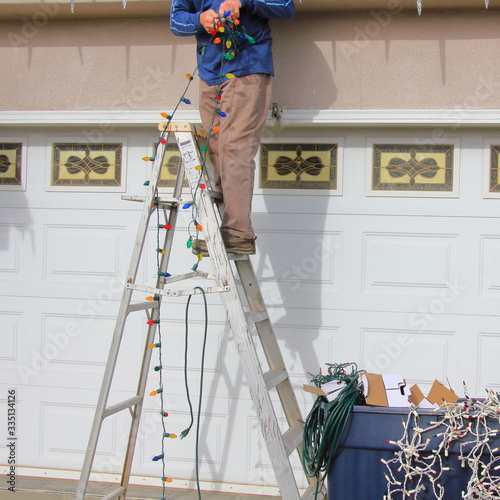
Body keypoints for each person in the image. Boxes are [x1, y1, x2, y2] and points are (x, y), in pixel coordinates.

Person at [170, 0, 295, 255]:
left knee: (234, 147)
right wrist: (200, 19)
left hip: (247, 67)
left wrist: (243, 1)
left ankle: (238, 234)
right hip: (209, 74)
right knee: (217, 150)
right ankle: (223, 229)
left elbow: (285, 6)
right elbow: (176, 20)